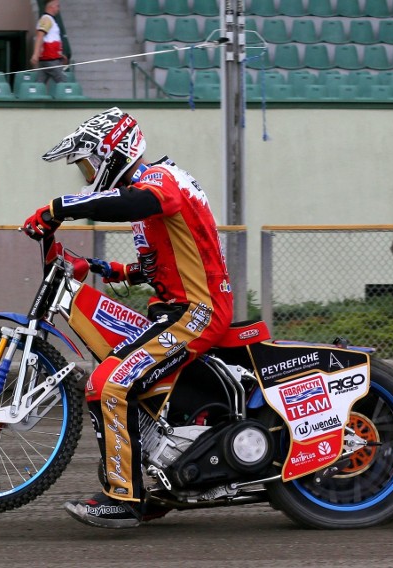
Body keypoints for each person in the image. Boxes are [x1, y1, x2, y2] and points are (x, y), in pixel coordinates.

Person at [22, 108, 234, 529]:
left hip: (196, 312)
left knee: (110, 382)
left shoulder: (159, 180)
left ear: (113, 153)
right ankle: (157, 483)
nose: (86, 177)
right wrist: (99, 269)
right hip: (177, 309)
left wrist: (60, 207)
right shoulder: (148, 198)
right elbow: (154, 267)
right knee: (127, 380)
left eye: (88, 165)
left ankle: (125, 498)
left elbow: (136, 201)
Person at [29, 0, 68, 86]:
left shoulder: (49, 20)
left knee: (39, 84)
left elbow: (50, 39)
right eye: (57, 6)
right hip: (50, 60)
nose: (58, 9)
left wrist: (59, 54)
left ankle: (34, 97)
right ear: (52, 6)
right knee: (64, 84)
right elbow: (40, 36)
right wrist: (35, 54)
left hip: (48, 59)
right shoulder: (46, 19)